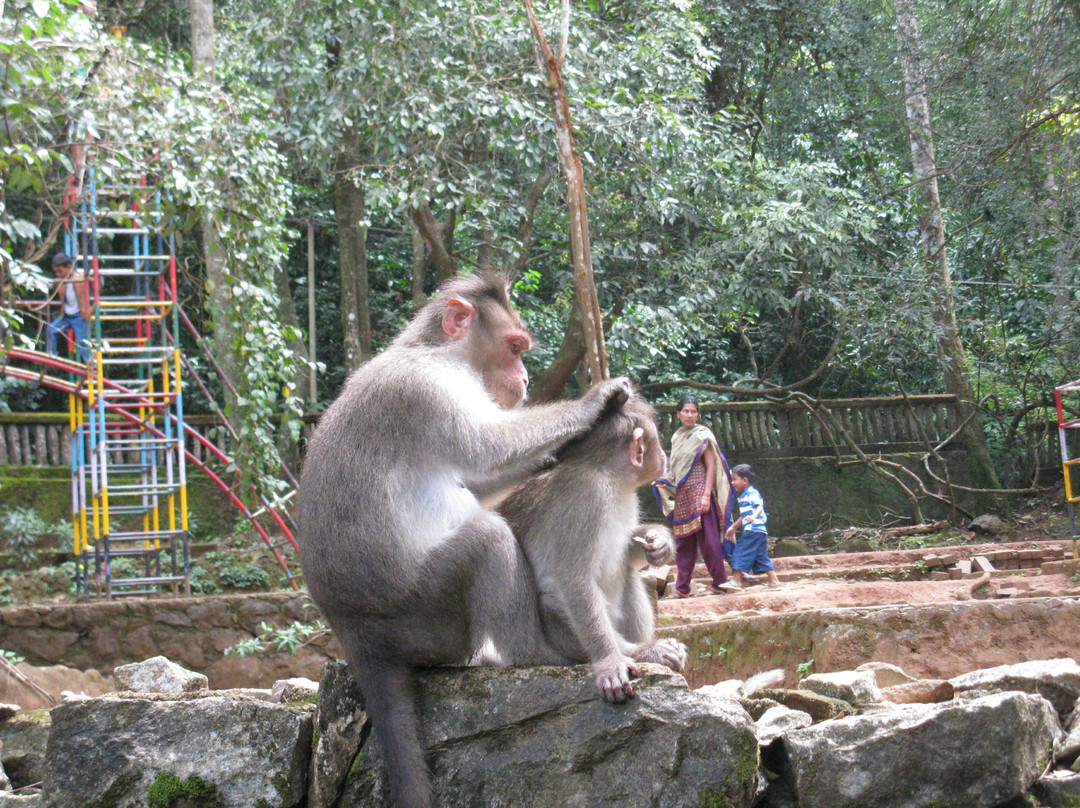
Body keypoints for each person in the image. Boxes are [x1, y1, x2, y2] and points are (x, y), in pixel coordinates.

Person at [653, 395, 738, 597]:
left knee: (709, 541)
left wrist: (706, 495)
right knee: (684, 543)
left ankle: (720, 583)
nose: (690, 415)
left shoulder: (702, 435)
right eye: (686, 411)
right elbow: (675, 470)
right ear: (678, 413)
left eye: (693, 411)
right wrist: (664, 482)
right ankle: (682, 588)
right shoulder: (677, 437)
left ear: (697, 414)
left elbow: (711, 466)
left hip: (700, 491)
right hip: (683, 496)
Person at [725, 463, 781, 589]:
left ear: (745, 480)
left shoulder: (751, 493)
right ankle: (774, 581)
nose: (732, 483)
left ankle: (736, 581)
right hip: (758, 531)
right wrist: (734, 527)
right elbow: (744, 516)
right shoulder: (744, 496)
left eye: (734, 479)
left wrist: (754, 516)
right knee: (761, 556)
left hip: (753, 530)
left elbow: (759, 507)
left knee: (740, 551)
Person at [44, 253, 92, 364]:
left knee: (82, 340)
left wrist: (96, 280)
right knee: (51, 330)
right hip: (66, 315)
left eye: (60, 271)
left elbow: (94, 281)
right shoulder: (61, 281)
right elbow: (50, 284)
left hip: (79, 315)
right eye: (56, 272)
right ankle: (52, 354)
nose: (58, 274)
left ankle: (90, 363)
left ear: (69, 266)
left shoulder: (79, 277)